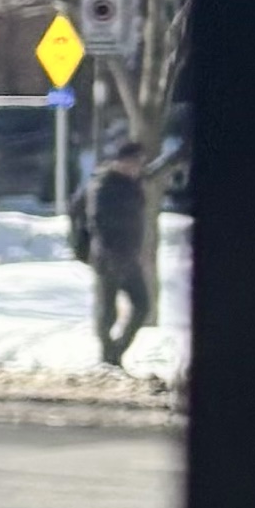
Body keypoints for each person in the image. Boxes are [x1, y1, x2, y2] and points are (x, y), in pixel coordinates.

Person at [87, 137, 159, 368]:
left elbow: (155, 170)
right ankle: (107, 356)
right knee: (107, 310)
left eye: (139, 163)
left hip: (130, 256)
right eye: (133, 162)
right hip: (109, 256)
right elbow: (97, 221)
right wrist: (112, 252)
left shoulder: (134, 182)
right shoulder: (104, 185)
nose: (137, 167)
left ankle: (116, 352)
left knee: (143, 306)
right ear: (120, 162)